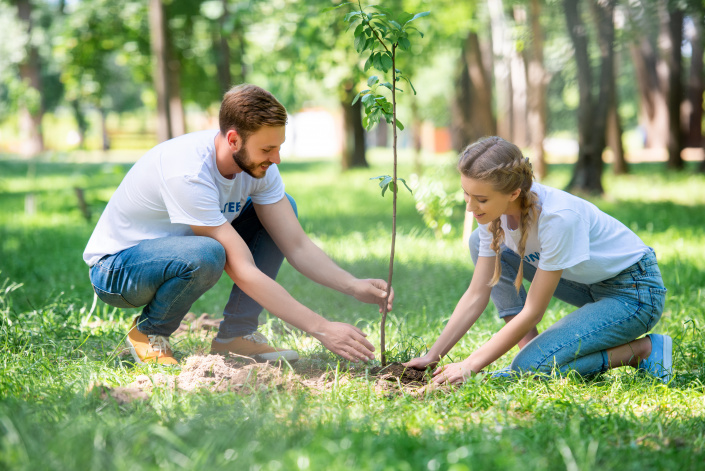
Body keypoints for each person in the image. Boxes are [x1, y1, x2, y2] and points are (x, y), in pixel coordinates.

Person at [83, 84, 393, 366]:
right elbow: (242, 268)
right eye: (267, 150)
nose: (277, 159)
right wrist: (321, 328)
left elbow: (296, 245)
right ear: (234, 139)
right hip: (118, 270)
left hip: (175, 255)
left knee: (281, 209)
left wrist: (353, 285)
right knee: (208, 253)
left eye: (279, 147)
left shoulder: (260, 167)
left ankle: (236, 336)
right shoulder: (189, 171)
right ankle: (149, 332)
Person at [405, 136, 672, 384]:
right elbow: (477, 294)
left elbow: (534, 310)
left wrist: (471, 364)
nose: (470, 207)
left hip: (633, 294)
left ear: (513, 193)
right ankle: (530, 351)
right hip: (587, 285)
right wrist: (433, 355)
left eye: (481, 199)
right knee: (478, 242)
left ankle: (643, 351)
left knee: (531, 370)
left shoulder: (557, 218)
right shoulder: (491, 217)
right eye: (466, 194)